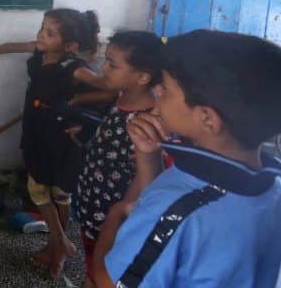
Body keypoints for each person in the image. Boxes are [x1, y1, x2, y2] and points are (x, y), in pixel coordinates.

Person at [93, 30, 281, 288]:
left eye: (166, 90)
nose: (156, 90)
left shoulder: (179, 207)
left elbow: (109, 282)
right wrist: (149, 157)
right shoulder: (271, 188)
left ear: (207, 118)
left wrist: (113, 219)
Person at [0, 8, 110, 279]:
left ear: (70, 45)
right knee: (41, 188)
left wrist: (78, 106)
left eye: (50, 33)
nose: (40, 35)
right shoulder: (40, 53)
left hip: (61, 139)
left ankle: (57, 246)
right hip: (38, 133)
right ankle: (60, 244)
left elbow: (109, 89)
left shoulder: (75, 69)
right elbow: (17, 45)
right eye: (42, 28)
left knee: (56, 192)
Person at [74, 31, 164, 288]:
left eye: (112, 64)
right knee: (91, 255)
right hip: (94, 198)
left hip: (115, 209)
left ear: (143, 77)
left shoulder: (148, 121)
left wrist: (120, 212)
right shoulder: (122, 97)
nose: (104, 68)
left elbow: (143, 171)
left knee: (106, 263)